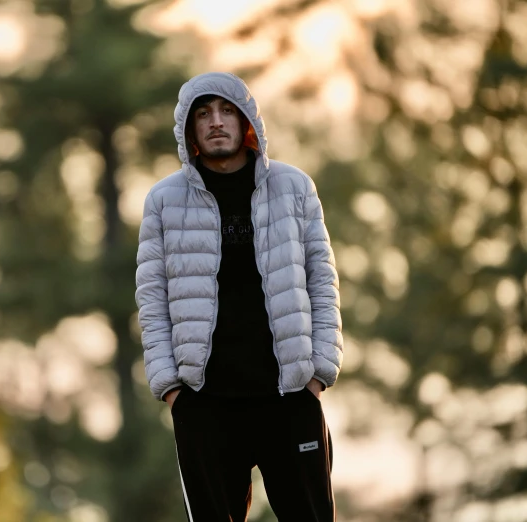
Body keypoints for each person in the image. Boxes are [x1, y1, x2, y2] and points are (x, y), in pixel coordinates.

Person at [135, 72, 343, 522]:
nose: (216, 122)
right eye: (203, 114)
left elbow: (321, 282)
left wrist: (319, 373)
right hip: (205, 406)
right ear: (188, 130)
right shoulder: (163, 201)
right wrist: (173, 391)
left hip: (289, 397)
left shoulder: (294, 188)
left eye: (227, 110)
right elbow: (152, 301)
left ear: (247, 120)